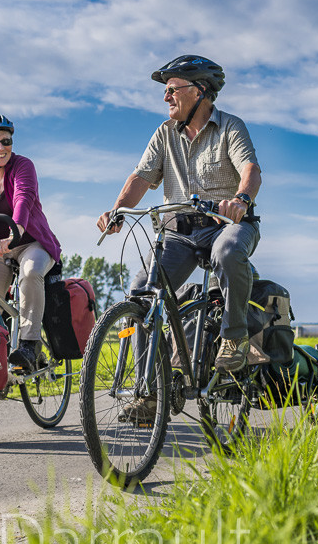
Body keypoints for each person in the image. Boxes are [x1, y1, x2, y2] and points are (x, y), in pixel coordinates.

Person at [97, 55, 262, 388]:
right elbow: (141, 177)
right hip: (178, 234)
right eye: (166, 90)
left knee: (228, 252)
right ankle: (149, 393)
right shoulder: (164, 133)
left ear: (199, 90)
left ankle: (234, 337)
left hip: (226, 224)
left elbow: (250, 169)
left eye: (172, 89)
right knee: (141, 294)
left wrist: (241, 200)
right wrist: (117, 210)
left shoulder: (230, 126)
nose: (166, 97)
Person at [0, 113, 63, 369]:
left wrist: (15, 232)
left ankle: (30, 344)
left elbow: (23, 198)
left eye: (6, 141)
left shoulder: (23, 165)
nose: (1, 148)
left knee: (31, 272)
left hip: (32, 241)